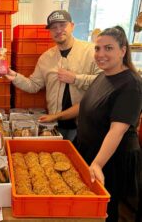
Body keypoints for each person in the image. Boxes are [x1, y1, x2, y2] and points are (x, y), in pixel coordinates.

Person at [39, 26, 142, 222]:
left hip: (112, 158)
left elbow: (117, 131)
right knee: (87, 206)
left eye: (108, 48)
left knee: (105, 210)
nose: (100, 54)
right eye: (97, 48)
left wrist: (97, 163)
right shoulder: (103, 75)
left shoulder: (131, 85)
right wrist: (57, 116)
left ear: (123, 50)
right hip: (90, 150)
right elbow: (85, 105)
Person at [5, 10, 101, 142]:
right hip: (54, 125)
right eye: (54, 27)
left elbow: (104, 82)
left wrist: (76, 79)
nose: (58, 30)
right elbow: (33, 85)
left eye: (62, 25)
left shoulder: (91, 51)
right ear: (50, 32)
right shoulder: (46, 57)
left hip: (85, 125)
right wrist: (15, 76)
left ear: (72, 26)